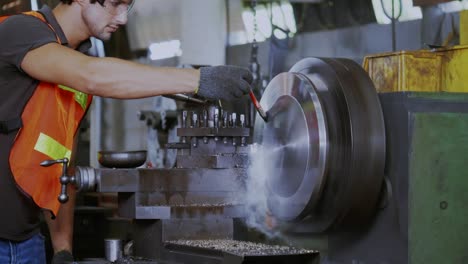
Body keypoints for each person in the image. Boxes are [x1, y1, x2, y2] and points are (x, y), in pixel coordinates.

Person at [0, 0, 253, 263]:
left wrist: (63, 247)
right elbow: (92, 75)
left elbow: (63, 165)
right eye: (115, 4)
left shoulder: (79, 67)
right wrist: (199, 79)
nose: (122, 19)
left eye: (127, 7)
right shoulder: (20, 31)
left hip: (28, 242)